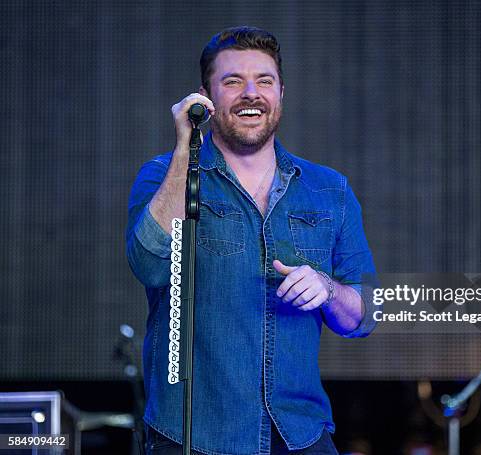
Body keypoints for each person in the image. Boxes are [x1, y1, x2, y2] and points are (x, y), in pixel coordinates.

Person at [126, 26, 376, 455]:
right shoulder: (164, 175)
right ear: (205, 96)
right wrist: (187, 148)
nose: (250, 93)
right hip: (195, 435)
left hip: (299, 434)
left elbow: (366, 314)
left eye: (264, 81)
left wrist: (328, 289)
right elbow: (147, 264)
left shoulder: (329, 189)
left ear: (281, 92)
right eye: (232, 81)